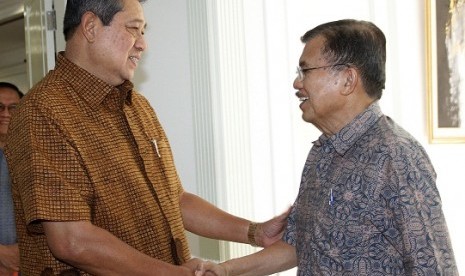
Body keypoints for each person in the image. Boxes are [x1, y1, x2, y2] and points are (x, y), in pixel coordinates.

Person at [4, 0, 289, 275]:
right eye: (133, 28)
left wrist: (255, 232)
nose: (143, 43)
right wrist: (174, 275)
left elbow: (175, 200)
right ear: (90, 27)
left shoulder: (137, 106)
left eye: (143, 31)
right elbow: (72, 241)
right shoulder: (41, 111)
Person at [196, 19, 459, 276]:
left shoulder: (397, 157)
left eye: (305, 71)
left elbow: (434, 266)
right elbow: (300, 244)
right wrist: (225, 270)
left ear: (347, 80)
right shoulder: (322, 152)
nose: (297, 84)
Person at [0, 82, 23, 276]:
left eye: (13, 107)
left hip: (28, 262)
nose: (5, 114)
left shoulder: (34, 156)